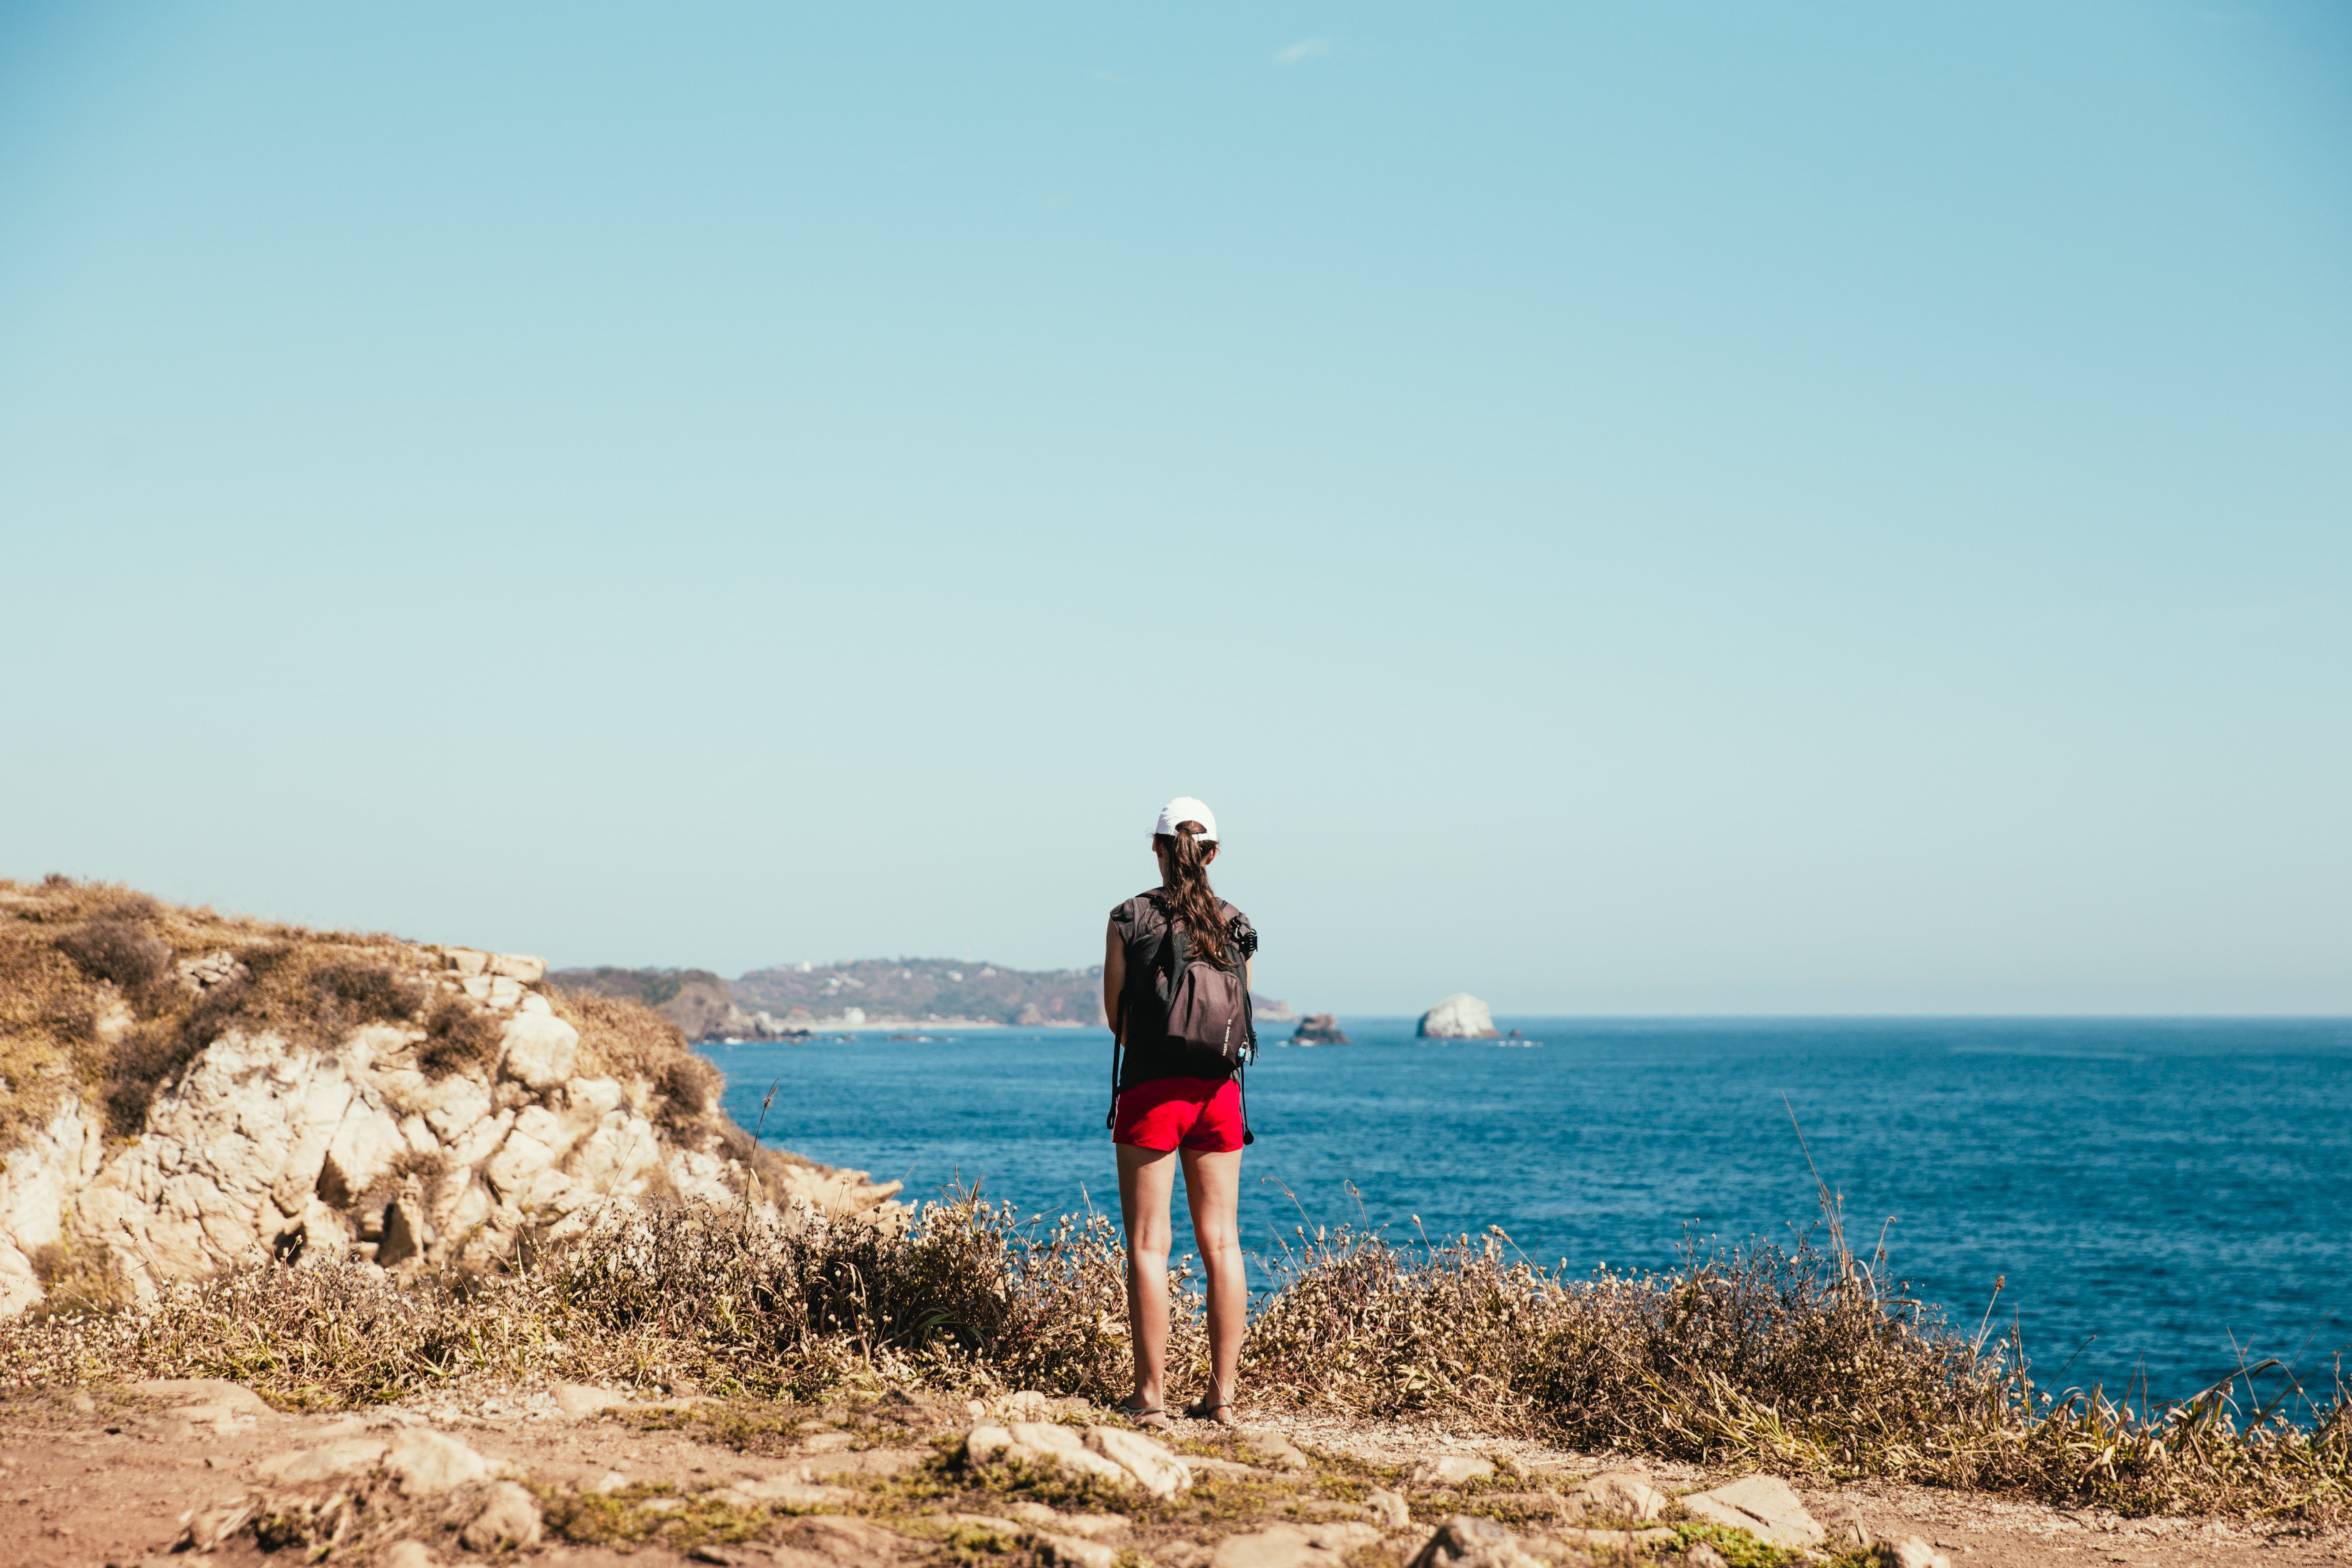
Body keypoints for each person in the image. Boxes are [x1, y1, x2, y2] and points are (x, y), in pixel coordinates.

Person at [1102, 796, 1257, 1429]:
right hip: (1220, 1095)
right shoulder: (1238, 922)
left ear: (1158, 847)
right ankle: (1221, 1400)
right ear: (1213, 852)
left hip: (1150, 1092)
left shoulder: (1127, 916)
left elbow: (1118, 1019)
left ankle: (1151, 1398)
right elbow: (1239, 1011)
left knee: (1148, 1245)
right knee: (1222, 1242)